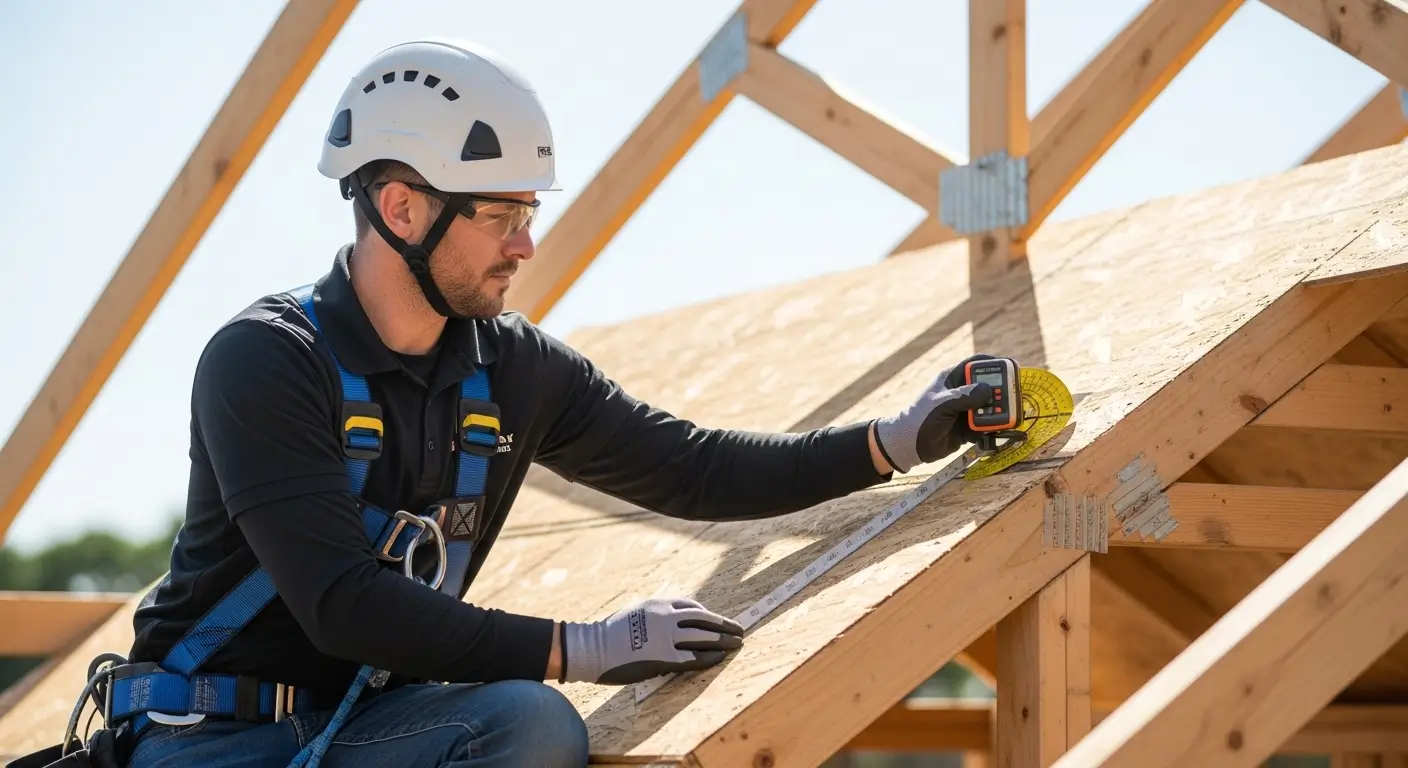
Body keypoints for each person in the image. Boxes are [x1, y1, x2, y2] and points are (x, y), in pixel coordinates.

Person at [101, 38, 995, 768]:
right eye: (500, 215)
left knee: (528, 728)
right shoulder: (264, 361)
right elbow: (344, 605)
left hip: (370, 732)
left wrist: (892, 442)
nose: (526, 244)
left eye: (529, 211)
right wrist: (582, 647)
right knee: (536, 712)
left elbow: (692, 468)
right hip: (209, 743)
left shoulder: (513, 369)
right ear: (402, 207)